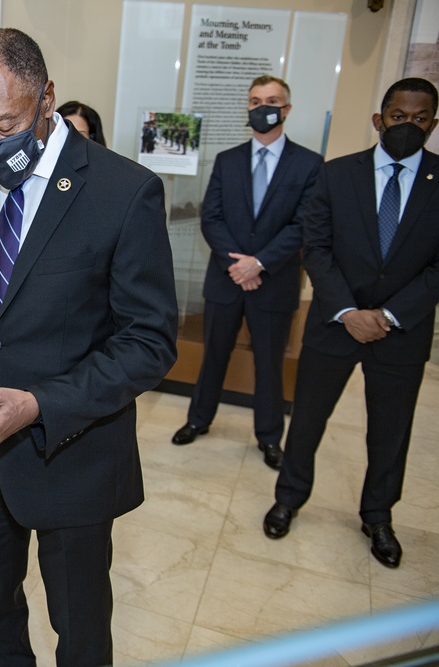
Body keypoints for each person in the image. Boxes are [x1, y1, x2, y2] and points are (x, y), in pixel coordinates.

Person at [0, 28, 178, 666]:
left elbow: (148, 341)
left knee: (81, 632)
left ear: (46, 98)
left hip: (74, 458)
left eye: (5, 125)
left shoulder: (124, 192)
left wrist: (40, 405)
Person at [263, 77, 439, 569]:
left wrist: (387, 315)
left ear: (434, 123)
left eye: (420, 118)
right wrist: (348, 310)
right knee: (309, 421)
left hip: (402, 331)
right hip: (335, 323)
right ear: (379, 119)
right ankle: (289, 497)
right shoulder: (336, 174)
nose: (409, 125)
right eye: (399, 116)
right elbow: (315, 248)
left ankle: (378, 515)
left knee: (390, 430)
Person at [171, 75, 322, 471]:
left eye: (272, 101)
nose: (262, 107)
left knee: (269, 364)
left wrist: (260, 262)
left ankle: (270, 437)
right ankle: (198, 419)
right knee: (213, 356)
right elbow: (212, 218)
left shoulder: (309, 164)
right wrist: (237, 265)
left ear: (286, 109)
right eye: (255, 101)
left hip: (274, 282)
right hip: (226, 279)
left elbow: (303, 224)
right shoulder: (228, 160)